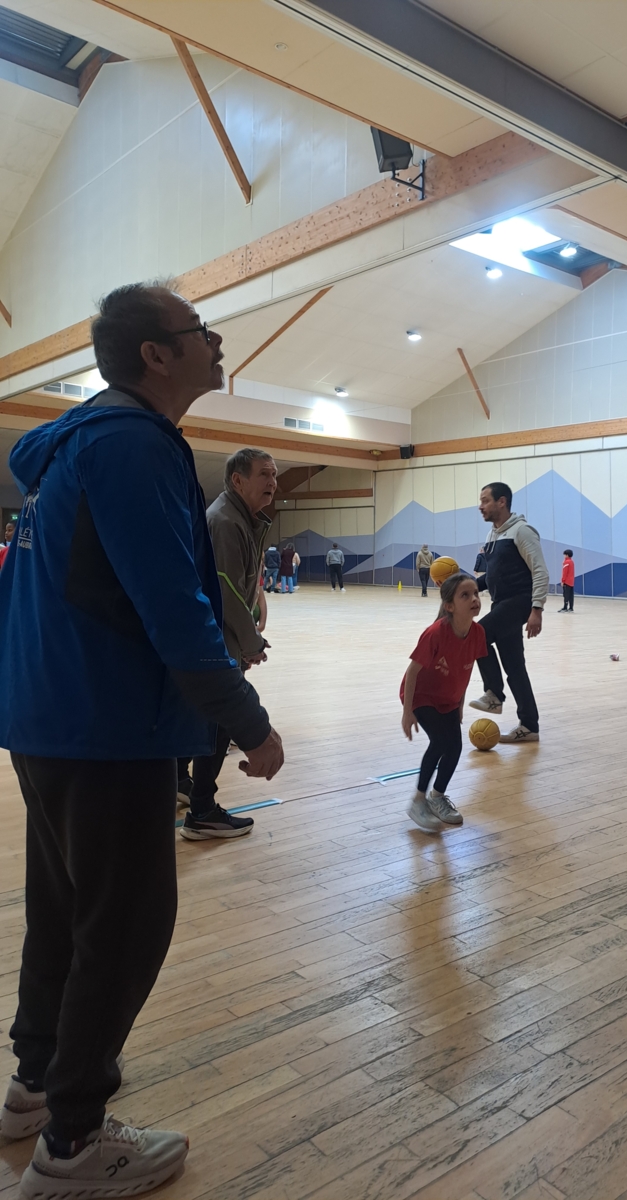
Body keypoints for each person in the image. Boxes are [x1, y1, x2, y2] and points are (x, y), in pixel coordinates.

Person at [0, 282, 283, 1195]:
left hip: (48, 714)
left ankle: (36, 1085)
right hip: (106, 723)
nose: (215, 340)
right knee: (124, 927)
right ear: (156, 355)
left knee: (65, 912)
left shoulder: (74, 445)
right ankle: (74, 1144)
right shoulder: (131, 445)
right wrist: (247, 720)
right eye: (199, 330)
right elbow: (174, 607)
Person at [179, 447, 278, 840]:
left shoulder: (239, 518)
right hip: (215, 641)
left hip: (219, 638)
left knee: (201, 715)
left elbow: (241, 588)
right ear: (238, 480)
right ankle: (202, 810)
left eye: (275, 475)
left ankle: (181, 783)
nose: (273, 482)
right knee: (220, 721)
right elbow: (225, 592)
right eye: (264, 474)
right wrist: (250, 642)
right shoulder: (224, 521)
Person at [401, 572, 487, 831]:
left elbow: (466, 670)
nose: (474, 599)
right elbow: (412, 673)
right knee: (440, 741)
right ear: (449, 606)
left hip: (448, 698)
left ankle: (437, 797)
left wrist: (459, 704)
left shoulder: (478, 633)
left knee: (455, 747)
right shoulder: (436, 633)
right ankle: (417, 801)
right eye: (465, 595)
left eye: (476, 593)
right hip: (420, 695)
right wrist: (407, 712)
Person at [469, 482, 548, 743]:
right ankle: (530, 726)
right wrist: (464, 586)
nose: (480, 506)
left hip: (519, 602)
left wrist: (537, 609)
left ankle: (494, 694)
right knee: (515, 667)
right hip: (501, 604)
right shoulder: (493, 535)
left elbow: (540, 571)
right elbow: (491, 576)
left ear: (501, 502)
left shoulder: (522, 531)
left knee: (476, 635)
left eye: (485, 500)